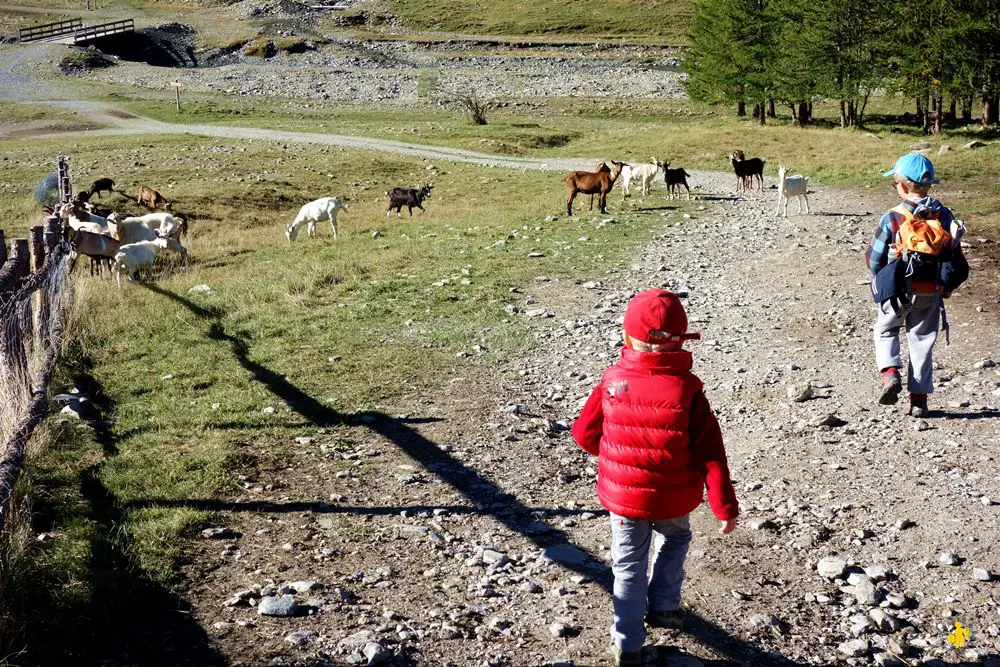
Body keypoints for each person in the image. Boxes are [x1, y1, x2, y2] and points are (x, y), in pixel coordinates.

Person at [571, 289, 739, 667]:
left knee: (628, 564)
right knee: (676, 536)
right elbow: (712, 453)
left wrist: (616, 451)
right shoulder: (688, 391)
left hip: (625, 499)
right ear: (681, 339)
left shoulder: (611, 381)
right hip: (674, 496)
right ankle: (664, 605)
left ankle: (627, 645)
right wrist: (724, 505)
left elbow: (584, 435)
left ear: (628, 337)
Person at [866, 153, 968, 418]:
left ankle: (890, 374)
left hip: (898, 288)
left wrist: (882, 278)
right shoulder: (944, 215)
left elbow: (874, 258)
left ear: (900, 185)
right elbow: (953, 253)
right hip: (930, 290)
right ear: (929, 185)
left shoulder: (892, 217)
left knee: (886, 329)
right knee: (922, 341)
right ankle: (919, 401)